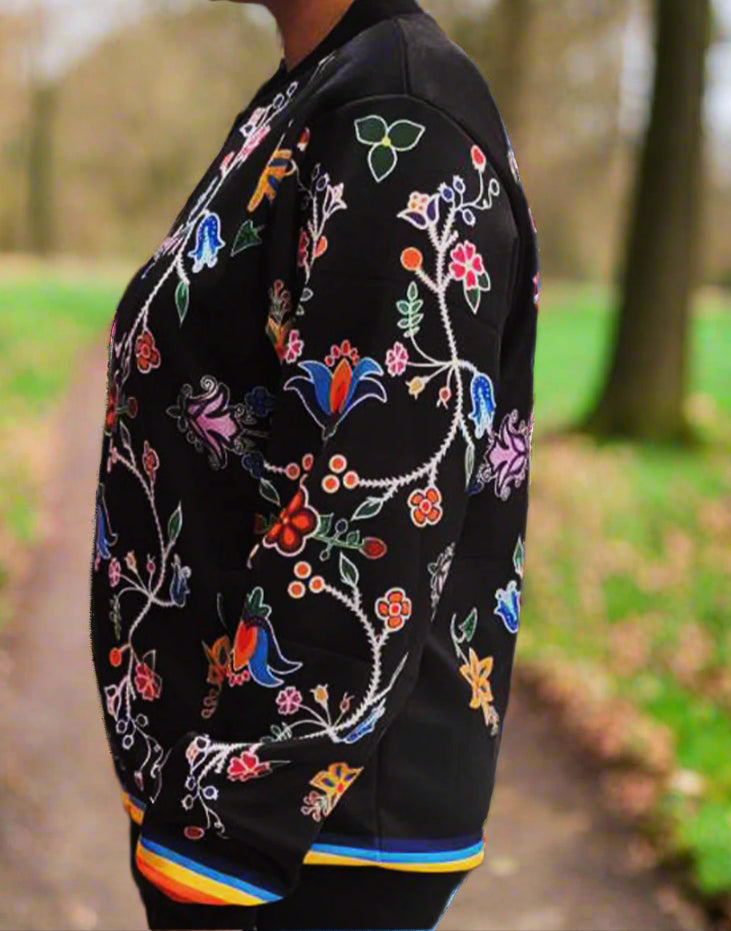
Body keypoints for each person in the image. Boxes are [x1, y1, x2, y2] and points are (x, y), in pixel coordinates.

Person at [89, 1, 540, 928]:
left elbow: (373, 508)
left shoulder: (401, 119)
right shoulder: (322, 87)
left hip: (302, 840)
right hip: (242, 802)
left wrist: (227, 834)